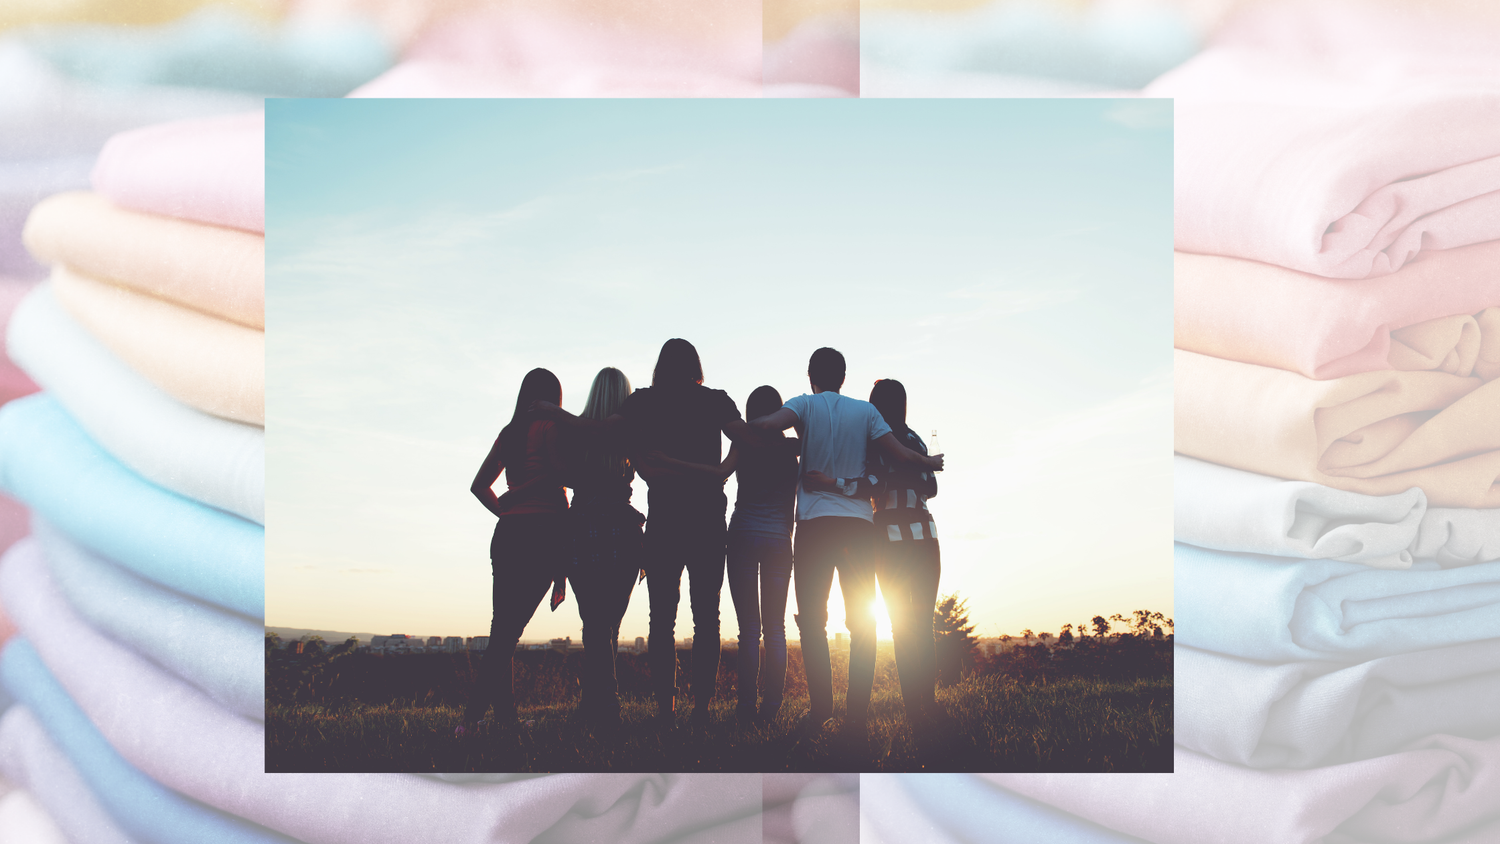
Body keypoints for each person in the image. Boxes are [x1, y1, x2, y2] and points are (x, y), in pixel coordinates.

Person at [534, 339, 755, 729]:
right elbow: (745, 435)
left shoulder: (645, 402)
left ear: (660, 366)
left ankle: (666, 713)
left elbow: (599, 429)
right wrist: (723, 468)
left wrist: (557, 414)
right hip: (707, 519)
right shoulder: (716, 400)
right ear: (695, 366)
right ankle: (701, 711)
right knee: (707, 619)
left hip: (665, 521)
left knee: (661, 622)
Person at [749, 348, 942, 748]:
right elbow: (898, 453)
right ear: (843, 375)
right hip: (858, 528)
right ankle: (856, 718)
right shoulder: (866, 413)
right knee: (862, 624)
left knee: (814, 623)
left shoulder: (804, 404)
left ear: (810, 377)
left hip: (816, 525)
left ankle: (821, 709)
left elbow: (771, 425)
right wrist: (927, 461)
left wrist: (749, 425)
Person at [459, 368, 568, 738]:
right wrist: (563, 571)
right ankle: (470, 720)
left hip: (508, 534)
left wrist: (506, 509)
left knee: (502, 630)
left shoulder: (508, 435)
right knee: (508, 633)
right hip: (544, 533)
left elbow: (479, 486)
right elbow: (558, 477)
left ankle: (505, 720)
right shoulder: (551, 428)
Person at [562, 367, 645, 733]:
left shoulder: (574, 433)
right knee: (608, 624)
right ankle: (602, 704)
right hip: (623, 531)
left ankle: (599, 704)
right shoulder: (632, 431)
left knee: (594, 624)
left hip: (582, 529)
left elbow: (562, 476)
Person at [865, 379, 941, 737]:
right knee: (923, 622)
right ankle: (927, 701)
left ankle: (916, 703)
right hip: (926, 535)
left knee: (903, 625)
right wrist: (915, 467)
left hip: (889, 538)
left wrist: (898, 471)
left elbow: (875, 484)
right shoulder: (916, 441)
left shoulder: (872, 443)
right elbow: (930, 485)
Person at [723, 385, 799, 726]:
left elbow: (722, 473)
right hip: (778, 541)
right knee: (776, 629)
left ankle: (745, 706)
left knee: (748, 630)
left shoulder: (743, 441)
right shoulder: (793, 449)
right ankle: (772, 707)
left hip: (741, 534)